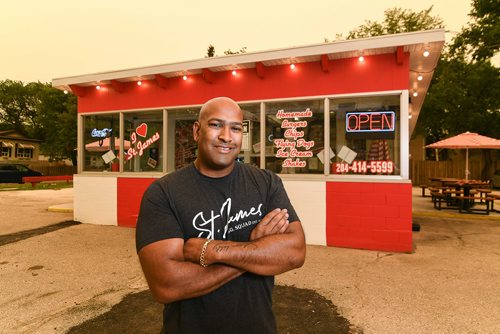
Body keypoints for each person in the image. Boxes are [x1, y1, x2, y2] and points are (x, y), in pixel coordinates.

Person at [136, 97, 306, 334]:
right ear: (197, 130)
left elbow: (295, 252)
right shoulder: (163, 193)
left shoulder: (266, 183)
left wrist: (212, 251)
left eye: (235, 128)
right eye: (216, 125)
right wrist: (257, 249)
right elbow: (166, 284)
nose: (227, 136)